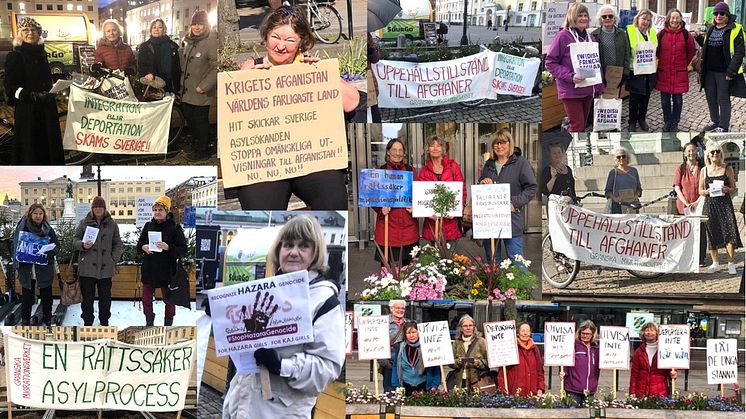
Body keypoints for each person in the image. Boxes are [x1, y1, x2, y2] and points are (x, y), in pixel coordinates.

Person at [235, 7, 358, 210]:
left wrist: (323, 76)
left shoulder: (310, 69)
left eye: (290, 40)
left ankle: (327, 242)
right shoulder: (252, 70)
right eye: (275, 37)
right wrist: (241, 79)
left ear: (302, 42)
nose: (281, 46)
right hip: (265, 163)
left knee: (332, 201)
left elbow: (352, 102)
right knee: (260, 211)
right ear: (266, 35)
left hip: (311, 160)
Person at [223, 215, 344, 418]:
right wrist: (221, 315)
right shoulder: (265, 291)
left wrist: (281, 365)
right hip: (242, 405)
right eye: (288, 245)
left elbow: (327, 368)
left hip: (280, 412)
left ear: (315, 253)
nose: (294, 252)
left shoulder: (323, 301)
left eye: (303, 246)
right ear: (278, 250)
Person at [4, 17, 64, 164]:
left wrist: (58, 79)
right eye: (25, 30)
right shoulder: (15, 56)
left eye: (34, 30)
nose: (30, 33)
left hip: (47, 109)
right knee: (31, 151)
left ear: (39, 33)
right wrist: (33, 96)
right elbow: (11, 89)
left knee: (48, 147)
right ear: (20, 34)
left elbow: (41, 79)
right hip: (29, 111)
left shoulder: (41, 53)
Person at [479, 130, 538, 264]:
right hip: (490, 221)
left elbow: (531, 187)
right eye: (496, 143)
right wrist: (483, 183)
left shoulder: (520, 162)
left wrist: (514, 204)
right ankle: (495, 285)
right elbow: (481, 189)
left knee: (516, 260)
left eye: (503, 142)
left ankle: (521, 286)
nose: (499, 146)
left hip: (512, 220)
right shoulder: (489, 164)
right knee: (493, 261)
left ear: (509, 144)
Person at [546, 3, 603, 133]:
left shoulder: (591, 38)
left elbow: (596, 63)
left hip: (588, 88)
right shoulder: (563, 36)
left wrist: (599, 87)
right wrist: (570, 76)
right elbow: (550, 62)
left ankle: (568, 132)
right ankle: (572, 151)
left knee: (581, 124)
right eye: (579, 15)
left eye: (585, 15)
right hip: (571, 90)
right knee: (578, 126)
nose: (583, 18)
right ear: (572, 17)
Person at [136, 195, 187, 326]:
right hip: (149, 269)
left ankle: (168, 326)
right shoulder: (148, 226)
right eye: (155, 209)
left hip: (167, 270)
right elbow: (139, 244)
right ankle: (149, 323)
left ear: (167, 211)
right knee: (146, 299)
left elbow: (183, 249)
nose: (157, 212)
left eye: (160, 209)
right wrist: (143, 247)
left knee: (169, 300)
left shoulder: (175, 228)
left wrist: (168, 247)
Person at [74, 197, 123, 326]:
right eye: (95, 207)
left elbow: (118, 244)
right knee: (87, 299)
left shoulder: (112, 224)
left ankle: (104, 320)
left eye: (100, 207)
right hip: (87, 269)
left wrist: (113, 259)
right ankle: (88, 321)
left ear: (104, 208)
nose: (97, 209)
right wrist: (83, 245)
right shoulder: (84, 223)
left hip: (106, 268)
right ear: (92, 209)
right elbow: (75, 240)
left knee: (105, 298)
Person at [700, 2, 745, 132]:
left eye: (722, 13)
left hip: (724, 72)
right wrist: (698, 38)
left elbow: (739, 52)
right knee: (711, 97)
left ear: (727, 15)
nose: (718, 16)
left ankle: (723, 126)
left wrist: (731, 71)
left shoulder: (735, 28)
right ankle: (714, 120)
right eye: (716, 13)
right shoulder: (711, 28)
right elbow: (706, 47)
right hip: (709, 72)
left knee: (723, 99)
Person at [373, 139, 419, 267]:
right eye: (394, 150)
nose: (397, 153)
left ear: (404, 153)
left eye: (400, 150)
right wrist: (380, 208)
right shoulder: (380, 172)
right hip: (388, 228)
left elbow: (419, 193)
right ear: (388, 152)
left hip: (409, 228)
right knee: (386, 269)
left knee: (409, 269)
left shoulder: (412, 171)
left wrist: (416, 207)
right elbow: (372, 197)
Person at [180, 10, 218, 160]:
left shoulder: (210, 41)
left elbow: (216, 66)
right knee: (191, 121)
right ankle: (197, 146)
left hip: (200, 92)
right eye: (194, 24)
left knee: (200, 122)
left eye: (200, 24)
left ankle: (202, 151)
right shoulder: (190, 41)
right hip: (188, 92)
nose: (197, 27)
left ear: (206, 26)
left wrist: (204, 86)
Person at [417, 136, 466, 251]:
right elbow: (421, 195)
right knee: (435, 260)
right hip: (433, 223)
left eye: (438, 145)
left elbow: (462, 190)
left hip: (450, 223)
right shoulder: (424, 171)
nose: (435, 148)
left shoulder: (453, 167)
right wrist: (427, 213)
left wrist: (456, 210)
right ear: (427, 149)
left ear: (443, 149)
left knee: (450, 260)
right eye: (432, 145)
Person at [699, 142, 742, 274]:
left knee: (729, 232)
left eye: (717, 151)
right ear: (708, 155)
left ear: (721, 154)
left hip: (724, 204)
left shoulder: (727, 168)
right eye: (712, 152)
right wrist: (707, 191)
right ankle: (715, 263)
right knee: (712, 233)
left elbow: (734, 188)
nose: (715, 154)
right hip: (710, 204)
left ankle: (731, 263)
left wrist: (727, 189)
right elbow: (700, 190)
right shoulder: (704, 170)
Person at [12, 204, 58, 326]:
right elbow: (15, 245)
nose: (38, 216)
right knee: (27, 295)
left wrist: (50, 251)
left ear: (44, 215)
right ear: (30, 214)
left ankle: (48, 316)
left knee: (46, 294)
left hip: (43, 268)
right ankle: (25, 319)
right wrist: (17, 261)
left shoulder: (48, 229)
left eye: (40, 213)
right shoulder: (23, 228)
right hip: (27, 268)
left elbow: (57, 246)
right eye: (35, 213)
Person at [656, 9, 695, 132]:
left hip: (679, 73)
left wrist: (684, 64)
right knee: (664, 101)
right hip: (664, 73)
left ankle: (675, 122)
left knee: (678, 101)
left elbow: (691, 51)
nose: (675, 20)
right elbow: (656, 50)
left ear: (680, 19)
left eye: (677, 17)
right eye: (672, 18)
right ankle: (667, 121)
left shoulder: (686, 34)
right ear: (668, 19)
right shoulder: (661, 34)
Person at [673, 143, 707, 266]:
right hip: (684, 205)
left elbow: (705, 187)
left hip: (700, 205)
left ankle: (700, 258)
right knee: (685, 233)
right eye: (688, 151)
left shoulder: (703, 168)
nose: (691, 153)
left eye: (693, 150)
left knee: (700, 232)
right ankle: (686, 257)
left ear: (697, 152)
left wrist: (697, 202)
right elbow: (677, 187)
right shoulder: (680, 168)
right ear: (684, 153)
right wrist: (686, 203)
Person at [626, 9, 658, 132]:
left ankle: (642, 119)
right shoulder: (630, 32)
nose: (646, 22)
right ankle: (632, 121)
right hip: (635, 71)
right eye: (643, 19)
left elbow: (655, 51)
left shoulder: (652, 33)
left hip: (649, 72)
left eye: (648, 20)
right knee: (634, 99)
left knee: (646, 98)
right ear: (638, 19)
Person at [391, 321, 442, 395]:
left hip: (424, 385)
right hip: (405, 386)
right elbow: (395, 366)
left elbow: (436, 368)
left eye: (414, 332)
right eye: (408, 333)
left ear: (419, 332)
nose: (411, 335)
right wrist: (395, 385)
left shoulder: (427, 347)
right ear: (405, 335)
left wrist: (435, 384)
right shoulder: (400, 348)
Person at [590, 6, 630, 99]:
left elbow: (627, 53)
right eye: (604, 16)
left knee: (613, 104)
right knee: (599, 103)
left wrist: (625, 72)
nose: (607, 18)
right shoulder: (594, 35)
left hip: (616, 76)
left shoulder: (622, 34)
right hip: (600, 76)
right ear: (600, 19)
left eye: (610, 16)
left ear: (615, 18)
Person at [629, 322, 677, 397]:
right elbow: (634, 374)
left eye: (652, 330)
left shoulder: (665, 350)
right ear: (643, 333)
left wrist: (673, 374)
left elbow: (670, 370)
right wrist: (632, 392)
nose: (649, 332)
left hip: (660, 393)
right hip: (641, 393)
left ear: (657, 333)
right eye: (647, 330)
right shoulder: (638, 352)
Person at [497, 322, 545, 396]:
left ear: (530, 333)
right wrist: (502, 388)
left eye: (527, 331)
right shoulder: (510, 347)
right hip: (514, 392)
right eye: (522, 331)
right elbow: (502, 371)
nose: (525, 333)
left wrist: (540, 388)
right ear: (518, 333)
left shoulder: (535, 349)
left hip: (532, 392)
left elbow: (540, 371)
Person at [559, 320, 600, 404]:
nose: (585, 336)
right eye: (583, 333)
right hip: (573, 389)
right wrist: (563, 372)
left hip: (590, 390)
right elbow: (564, 360)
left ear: (593, 334)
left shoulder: (596, 348)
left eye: (587, 334)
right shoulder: (573, 345)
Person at [138, 18, 181, 93]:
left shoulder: (173, 46)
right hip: (152, 84)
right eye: (154, 27)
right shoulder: (145, 46)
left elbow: (178, 66)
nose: (156, 29)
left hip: (170, 84)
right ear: (151, 30)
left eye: (159, 27)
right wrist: (147, 73)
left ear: (164, 29)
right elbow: (141, 65)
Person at [450, 315, 489, 389]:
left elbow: (489, 362)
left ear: (474, 327)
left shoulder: (481, 341)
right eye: (465, 326)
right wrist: (458, 362)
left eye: (470, 325)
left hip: (477, 382)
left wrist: (479, 363)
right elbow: (450, 362)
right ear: (461, 328)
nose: (468, 328)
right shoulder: (457, 343)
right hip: (460, 382)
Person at [604, 147, 642, 214]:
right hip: (617, 206)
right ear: (616, 159)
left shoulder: (634, 171)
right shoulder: (613, 173)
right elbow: (608, 191)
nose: (621, 158)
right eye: (618, 157)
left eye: (623, 156)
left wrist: (635, 196)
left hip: (632, 204)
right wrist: (615, 199)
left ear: (627, 158)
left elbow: (639, 188)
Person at [382, 299, 409, 393]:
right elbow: (377, 343)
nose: (400, 310)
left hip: (406, 365)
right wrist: (385, 363)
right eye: (398, 308)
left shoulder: (409, 323)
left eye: (403, 308)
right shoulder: (383, 323)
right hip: (390, 364)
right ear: (391, 309)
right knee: (390, 392)